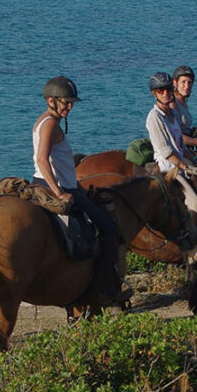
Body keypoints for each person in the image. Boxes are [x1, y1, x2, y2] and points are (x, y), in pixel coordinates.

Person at [32, 76, 132, 307]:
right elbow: (42, 159)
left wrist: (75, 185)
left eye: (71, 103)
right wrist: (58, 192)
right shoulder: (49, 125)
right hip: (57, 187)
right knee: (107, 228)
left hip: (53, 184)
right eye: (65, 102)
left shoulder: (43, 121)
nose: (69, 107)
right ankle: (108, 287)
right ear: (51, 100)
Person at [145, 72, 197, 264]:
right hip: (168, 168)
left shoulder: (172, 115)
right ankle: (189, 247)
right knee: (195, 202)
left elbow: (179, 145)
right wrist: (186, 168)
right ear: (154, 93)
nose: (165, 93)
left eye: (167, 89)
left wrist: (196, 160)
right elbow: (167, 152)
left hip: (181, 162)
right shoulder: (154, 118)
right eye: (160, 90)